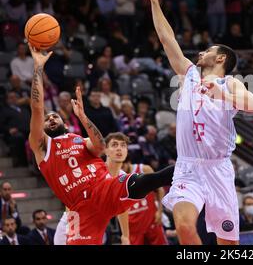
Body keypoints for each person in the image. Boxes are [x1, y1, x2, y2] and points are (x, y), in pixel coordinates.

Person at [148, 0, 253, 245]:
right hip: (187, 167)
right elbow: (167, 40)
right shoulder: (189, 74)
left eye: (207, 50)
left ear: (220, 57)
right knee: (185, 226)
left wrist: (222, 93)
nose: (200, 53)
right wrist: (154, 2)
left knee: (228, 243)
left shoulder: (230, 82)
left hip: (219, 169)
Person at [27, 44, 174, 245]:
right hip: (81, 209)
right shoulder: (42, 147)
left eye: (55, 116)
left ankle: (193, 167)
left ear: (64, 121)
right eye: (48, 119)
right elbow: (37, 107)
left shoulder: (78, 139)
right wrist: (38, 68)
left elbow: (100, 146)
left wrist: (83, 116)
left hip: (103, 189)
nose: (51, 119)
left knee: (149, 180)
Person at [120, 153, 167, 245]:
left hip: (150, 219)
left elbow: (160, 190)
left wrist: (160, 211)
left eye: (122, 166)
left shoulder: (144, 169)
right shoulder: (116, 176)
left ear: (128, 162)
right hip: (133, 225)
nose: (121, 170)